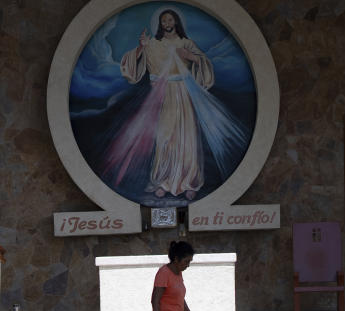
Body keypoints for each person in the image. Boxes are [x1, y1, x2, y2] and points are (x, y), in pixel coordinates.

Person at [103, 7, 248, 202]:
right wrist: (141, 47)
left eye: (170, 20)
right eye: (163, 21)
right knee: (164, 138)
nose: (167, 24)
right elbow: (130, 67)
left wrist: (190, 57)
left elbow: (203, 62)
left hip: (183, 95)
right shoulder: (153, 44)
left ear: (176, 22)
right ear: (160, 25)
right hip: (162, 96)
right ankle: (163, 181)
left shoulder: (186, 43)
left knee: (186, 139)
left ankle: (189, 182)